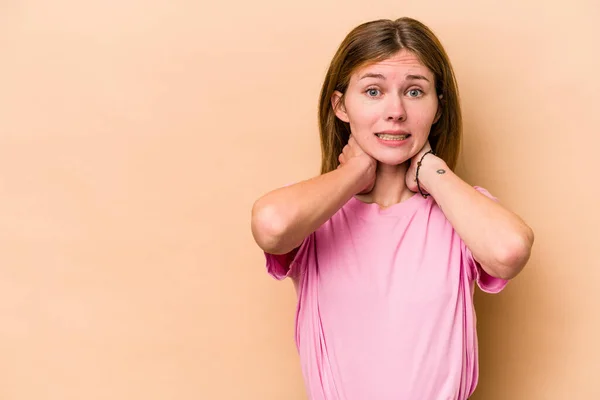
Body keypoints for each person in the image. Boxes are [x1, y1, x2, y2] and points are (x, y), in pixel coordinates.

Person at [250, 17, 534, 400]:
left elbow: (509, 251)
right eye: (373, 91)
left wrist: (433, 171)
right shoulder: (316, 213)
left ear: (438, 107)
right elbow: (271, 225)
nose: (395, 111)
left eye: (415, 92)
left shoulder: (460, 209)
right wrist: (354, 172)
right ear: (341, 105)